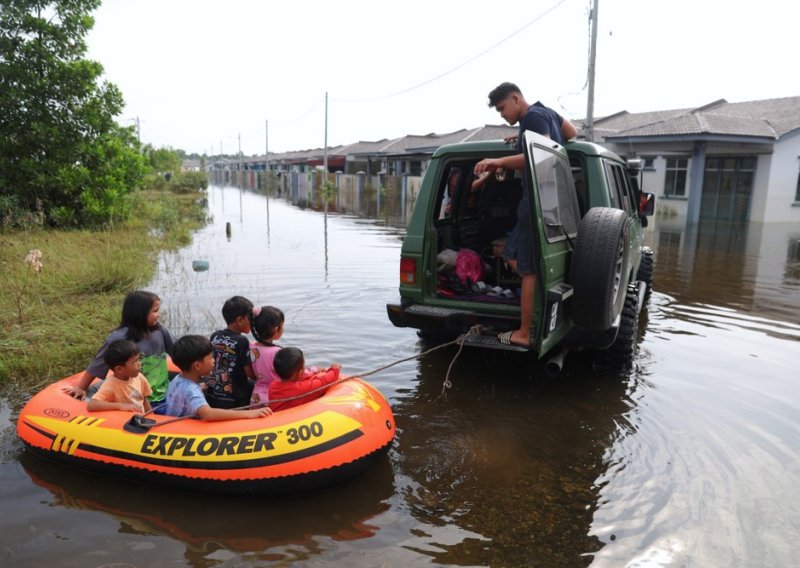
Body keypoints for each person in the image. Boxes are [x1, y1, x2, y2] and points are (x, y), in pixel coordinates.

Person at [474, 82, 578, 347]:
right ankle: (538, 295)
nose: (502, 115)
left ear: (516, 98)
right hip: (551, 201)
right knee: (513, 257)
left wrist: (497, 161)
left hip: (534, 198)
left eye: (502, 109)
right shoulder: (547, 113)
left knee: (525, 268)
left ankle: (524, 332)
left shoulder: (532, 116)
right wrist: (521, 140)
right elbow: (572, 133)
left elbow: (538, 157)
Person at [66, 290, 174, 413]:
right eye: (155, 311)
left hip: (164, 392)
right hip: (136, 397)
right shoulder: (118, 338)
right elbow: (98, 364)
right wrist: (81, 387)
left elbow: (179, 352)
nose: (159, 315)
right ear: (140, 313)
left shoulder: (160, 331)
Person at [165, 334, 272, 421]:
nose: (214, 360)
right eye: (211, 357)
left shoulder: (178, 379)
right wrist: (249, 413)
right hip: (187, 431)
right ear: (197, 365)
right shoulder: (191, 390)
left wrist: (203, 386)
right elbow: (207, 414)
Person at [206, 296, 256, 409]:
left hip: (213, 395)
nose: (252, 322)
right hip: (236, 399)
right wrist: (261, 378)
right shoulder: (242, 341)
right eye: (250, 319)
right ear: (240, 320)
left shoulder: (215, 336)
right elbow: (248, 372)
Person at [86, 340, 152, 413]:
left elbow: (144, 400)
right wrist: (120, 406)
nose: (139, 363)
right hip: (124, 422)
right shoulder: (111, 385)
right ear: (119, 369)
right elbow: (91, 405)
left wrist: (152, 416)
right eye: (134, 362)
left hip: (141, 420)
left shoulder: (139, 377)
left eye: (139, 359)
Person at [268, 347, 341, 412]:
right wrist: (335, 369)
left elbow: (299, 377)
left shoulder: (272, 385)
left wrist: (312, 372)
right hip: (287, 422)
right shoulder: (299, 388)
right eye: (304, 364)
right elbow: (324, 382)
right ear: (299, 373)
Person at [249, 306, 285, 405]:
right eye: (282, 326)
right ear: (276, 329)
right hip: (274, 395)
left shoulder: (251, 346)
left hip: (256, 396)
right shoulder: (278, 352)